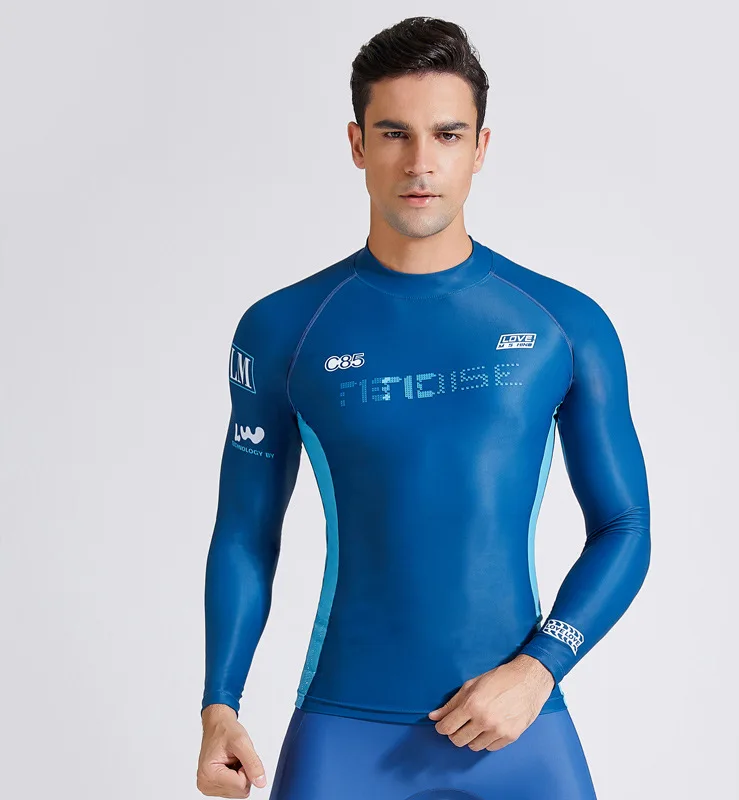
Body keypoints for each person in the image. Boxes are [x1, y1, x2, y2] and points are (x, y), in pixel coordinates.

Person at [196, 16, 650, 800]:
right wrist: (219, 706)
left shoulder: (564, 324)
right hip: (345, 734)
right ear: (356, 144)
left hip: (520, 731)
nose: (420, 163)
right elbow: (244, 532)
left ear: (480, 148)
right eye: (394, 134)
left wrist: (540, 667)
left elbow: (624, 525)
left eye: (446, 135)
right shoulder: (283, 330)